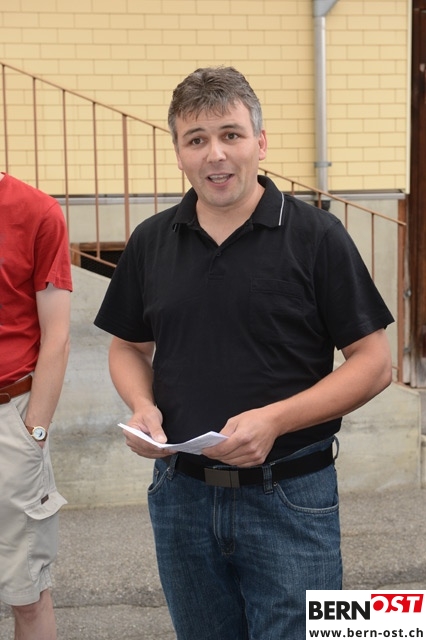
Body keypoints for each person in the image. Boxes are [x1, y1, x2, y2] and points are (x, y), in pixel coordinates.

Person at [94, 67, 394, 640]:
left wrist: (276, 420)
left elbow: (374, 362)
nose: (215, 154)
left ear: (260, 141)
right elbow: (128, 345)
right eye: (196, 139)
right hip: (180, 496)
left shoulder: (317, 236)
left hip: (291, 496)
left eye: (230, 134)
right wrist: (141, 406)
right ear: (179, 154)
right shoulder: (151, 240)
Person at [0, 172, 72, 640]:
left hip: (10, 417)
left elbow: (58, 335)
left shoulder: (35, 212)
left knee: (26, 593)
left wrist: (35, 431)